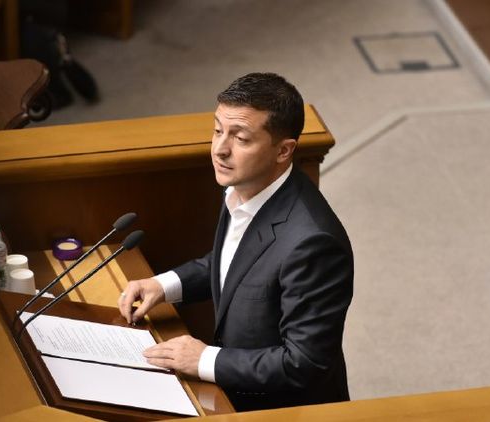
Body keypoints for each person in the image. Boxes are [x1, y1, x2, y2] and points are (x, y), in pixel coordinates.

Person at [118, 72, 354, 411]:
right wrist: (164, 285)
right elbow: (235, 263)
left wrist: (204, 359)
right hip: (232, 392)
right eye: (217, 131)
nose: (220, 149)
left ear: (283, 150)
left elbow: (303, 363)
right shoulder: (243, 187)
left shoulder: (314, 244)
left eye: (240, 138)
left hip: (281, 409)